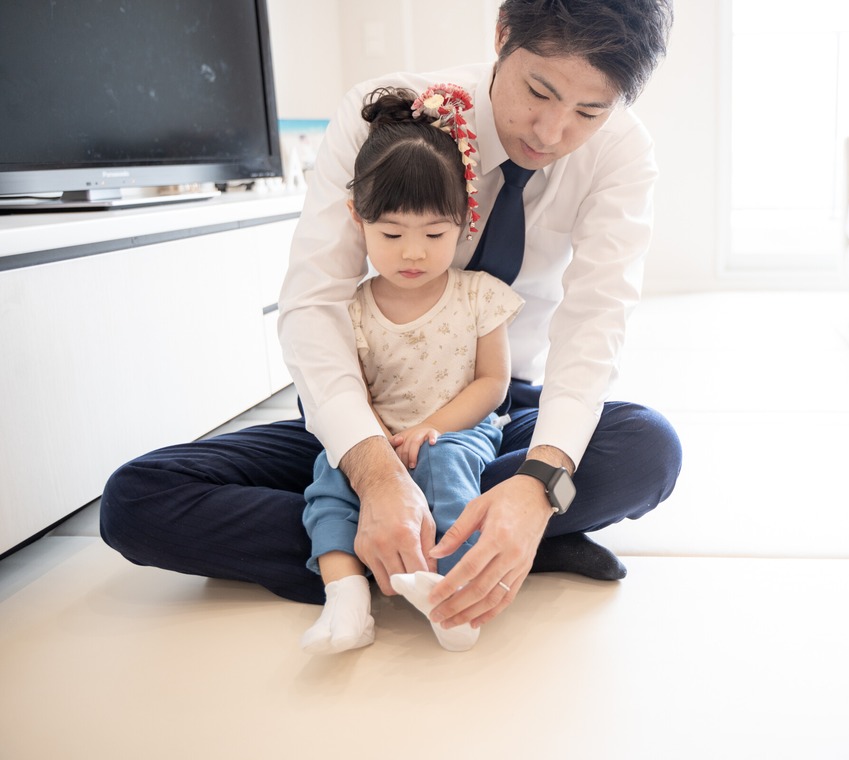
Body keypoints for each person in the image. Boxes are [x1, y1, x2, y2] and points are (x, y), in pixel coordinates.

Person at [100, 0, 682, 636]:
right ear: (501, 35)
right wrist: (373, 471)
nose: (550, 131)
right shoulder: (386, 114)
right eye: (539, 91)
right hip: (365, 411)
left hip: (489, 413)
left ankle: (376, 551)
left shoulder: (622, 154)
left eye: (589, 112)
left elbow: (596, 324)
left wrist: (539, 484)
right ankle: (455, 551)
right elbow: (314, 301)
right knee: (136, 500)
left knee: (647, 450)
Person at [300, 85, 523, 655]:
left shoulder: (480, 297)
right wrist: (374, 444)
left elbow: (493, 384)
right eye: (392, 235)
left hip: (458, 429)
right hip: (376, 442)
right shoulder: (349, 311)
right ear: (358, 219)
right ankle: (346, 599)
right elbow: (350, 392)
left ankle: (449, 589)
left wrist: (433, 429)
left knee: (446, 466)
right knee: (329, 482)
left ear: (464, 221)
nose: (414, 254)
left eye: (435, 235)